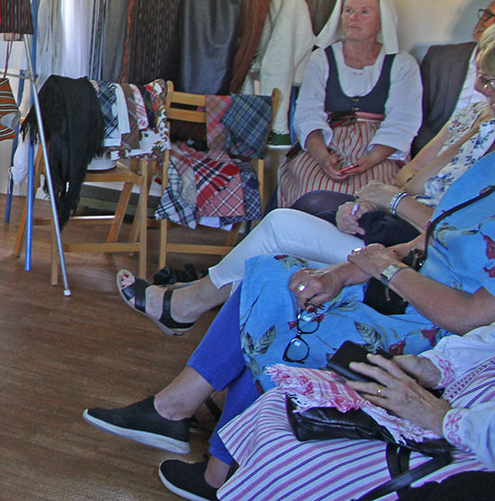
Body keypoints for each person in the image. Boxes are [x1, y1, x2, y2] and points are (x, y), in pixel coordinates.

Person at [83, 150, 495, 500]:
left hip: (437, 330)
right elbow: (421, 243)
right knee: (271, 277)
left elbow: (466, 318)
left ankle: (204, 451)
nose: (485, 91)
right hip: (403, 290)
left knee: (283, 315)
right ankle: (191, 426)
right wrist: (337, 274)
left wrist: (386, 267)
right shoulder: (487, 164)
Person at [118, 22, 495, 334]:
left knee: (282, 228)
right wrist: (368, 202)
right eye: (480, 75)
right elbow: (412, 175)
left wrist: (389, 197)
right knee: (312, 198)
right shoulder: (474, 115)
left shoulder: (404, 67)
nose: (479, 87)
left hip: (427, 255)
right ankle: (202, 300)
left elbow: (449, 224)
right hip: (400, 216)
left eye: (490, 80)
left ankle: (188, 303)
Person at [217, 323, 495, 500]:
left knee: (313, 452)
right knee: (285, 400)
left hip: (475, 444)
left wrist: (442, 418)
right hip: (457, 399)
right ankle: (221, 480)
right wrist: (433, 367)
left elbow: (466, 310)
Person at [277, 0, 421, 207]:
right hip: (327, 142)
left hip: (378, 148)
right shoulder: (321, 59)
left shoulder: (402, 64)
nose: (354, 18)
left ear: (382, 20)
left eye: (364, 12)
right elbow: (308, 113)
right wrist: (324, 157)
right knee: (311, 188)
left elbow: (403, 120)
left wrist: (372, 158)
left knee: (374, 195)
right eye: (348, 11)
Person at [415, 0, 495, 154]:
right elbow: (415, 117)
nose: (485, 23)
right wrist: (432, 156)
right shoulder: (440, 58)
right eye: (487, 15)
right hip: (432, 151)